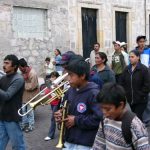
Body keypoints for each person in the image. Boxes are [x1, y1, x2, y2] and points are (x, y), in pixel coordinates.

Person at [54, 58, 103, 150]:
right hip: (69, 140)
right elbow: (65, 109)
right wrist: (61, 114)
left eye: (71, 75)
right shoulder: (70, 91)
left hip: (85, 143)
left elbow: (99, 119)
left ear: (82, 76)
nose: (68, 78)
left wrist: (76, 120)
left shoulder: (94, 93)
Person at [92, 83, 150, 150]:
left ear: (121, 105)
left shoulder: (134, 125)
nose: (105, 113)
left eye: (108, 109)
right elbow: (98, 144)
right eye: (101, 108)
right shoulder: (105, 120)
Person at [0, 55, 26, 150]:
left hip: (12, 117)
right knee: (1, 143)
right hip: (2, 116)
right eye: (4, 62)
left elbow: (7, 96)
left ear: (14, 66)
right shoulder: (3, 78)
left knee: (18, 146)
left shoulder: (18, 79)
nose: (4, 65)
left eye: (7, 63)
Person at [120, 50, 150, 121]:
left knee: (137, 118)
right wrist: (125, 93)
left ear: (138, 57)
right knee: (136, 118)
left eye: (132, 57)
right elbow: (121, 82)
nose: (130, 58)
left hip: (141, 100)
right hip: (130, 99)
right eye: (129, 57)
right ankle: (140, 129)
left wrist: (140, 94)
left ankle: (139, 131)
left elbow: (147, 85)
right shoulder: (126, 69)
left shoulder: (144, 69)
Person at [19, 58, 39, 132]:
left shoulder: (32, 73)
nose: (19, 70)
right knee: (23, 111)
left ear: (24, 66)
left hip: (31, 95)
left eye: (20, 68)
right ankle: (24, 124)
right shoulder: (23, 72)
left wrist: (22, 84)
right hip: (24, 95)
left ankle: (31, 126)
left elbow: (32, 86)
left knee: (30, 111)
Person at [44, 71, 60, 141]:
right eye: (51, 77)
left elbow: (60, 96)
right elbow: (48, 91)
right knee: (56, 118)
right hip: (52, 103)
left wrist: (56, 87)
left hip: (57, 103)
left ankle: (51, 135)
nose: (51, 78)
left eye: (53, 77)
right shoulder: (51, 83)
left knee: (53, 118)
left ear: (57, 77)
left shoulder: (59, 84)